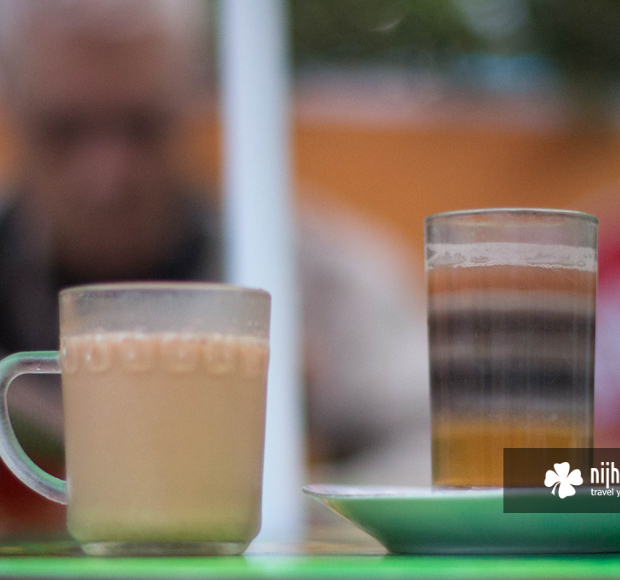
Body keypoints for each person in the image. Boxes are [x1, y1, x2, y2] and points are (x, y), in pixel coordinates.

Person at [0, 0, 430, 536]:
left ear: (199, 103)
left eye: (144, 127)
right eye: (64, 130)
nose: (107, 178)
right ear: (12, 107)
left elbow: (468, 461)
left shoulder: (316, 277)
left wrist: (269, 503)